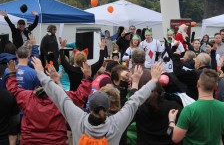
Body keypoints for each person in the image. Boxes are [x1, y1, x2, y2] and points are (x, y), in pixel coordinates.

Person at [32, 57, 163, 145]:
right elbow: (135, 100)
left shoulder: (78, 118)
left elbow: (59, 96)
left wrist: (41, 74)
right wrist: (153, 81)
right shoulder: (116, 123)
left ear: (90, 107)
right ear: (107, 108)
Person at [6, 59, 92, 145]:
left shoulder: (27, 98)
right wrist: (87, 77)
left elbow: (13, 90)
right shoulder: (60, 99)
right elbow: (80, 96)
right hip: (55, 142)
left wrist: (12, 74)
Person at [168, 69, 224, 144]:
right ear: (216, 86)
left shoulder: (189, 110)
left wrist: (171, 121)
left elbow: (175, 138)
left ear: (198, 83)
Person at [135, 70, 183, 145]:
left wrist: (134, 85)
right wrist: (171, 121)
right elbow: (174, 133)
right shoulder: (173, 107)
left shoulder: (137, 108)